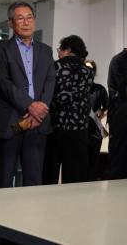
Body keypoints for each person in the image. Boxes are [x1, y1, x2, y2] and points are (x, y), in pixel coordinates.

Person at [0, 2, 56, 187]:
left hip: (36, 123)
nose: (26, 22)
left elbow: (50, 82)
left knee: (34, 179)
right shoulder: (0, 49)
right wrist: (30, 105)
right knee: (2, 178)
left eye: (29, 17)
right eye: (20, 18)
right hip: (11, 121)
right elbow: (2, 82)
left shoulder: (46, 50)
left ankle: (31, 216)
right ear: (10, 23)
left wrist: (39, 110)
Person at [43, 35, 93, 184]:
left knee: (49, 173)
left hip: (56, 127)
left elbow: (51, 96)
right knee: (75, 177)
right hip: (79, 129)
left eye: (60, 49)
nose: (58, 53)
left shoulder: (55, 67)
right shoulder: (88, 71)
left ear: (68, 50)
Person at [84, 60, 108, 181]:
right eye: (86, 68)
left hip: (95, 132)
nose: (89, 71)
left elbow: (107, 107)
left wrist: (98, 116)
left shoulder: (100, 89)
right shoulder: (78, 89)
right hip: (80, 131)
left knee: (94, 163)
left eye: (91, 69)